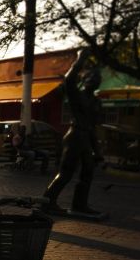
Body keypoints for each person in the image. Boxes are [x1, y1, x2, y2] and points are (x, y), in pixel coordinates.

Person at [43, 50, 104, 216]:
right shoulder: (78, 95)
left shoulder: (96, 102)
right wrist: (80, 60)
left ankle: (79, 204)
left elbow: (93, 127)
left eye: (97, 79)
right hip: (74, 136)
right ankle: (47, 201)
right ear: (84, 80)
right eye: (91, 77)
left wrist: (97, 150)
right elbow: (69, 79)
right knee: (66, 173)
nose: (94, 80)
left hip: (85, 137)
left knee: (88, 172)